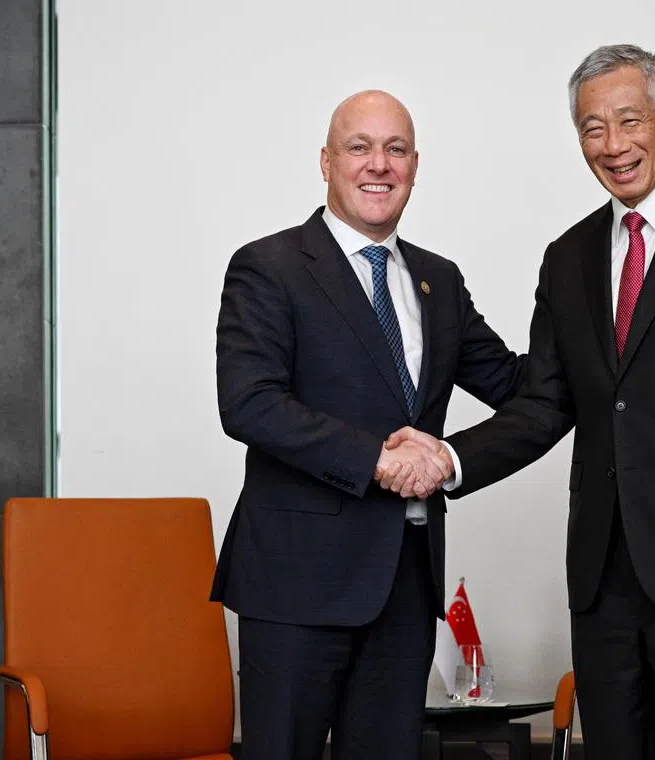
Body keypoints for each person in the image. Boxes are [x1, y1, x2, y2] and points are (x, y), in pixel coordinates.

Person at [387, 44, 655, 759]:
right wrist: (449, 457)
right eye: (592, 129)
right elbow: (547, 405)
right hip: (602, 576)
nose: (614, 146)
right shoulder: (568, 256)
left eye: (629, 121)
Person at [210, 89, 523, 760]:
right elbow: (249, 403)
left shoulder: (439, 280)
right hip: (297, 584)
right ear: (326, 160)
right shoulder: (269, 267)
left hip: (404, 587)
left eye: (396, 149)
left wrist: (612, 343)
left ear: (416, 165)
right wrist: (378, 460)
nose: (378, 165)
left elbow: (516, 385)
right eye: (359, 147)